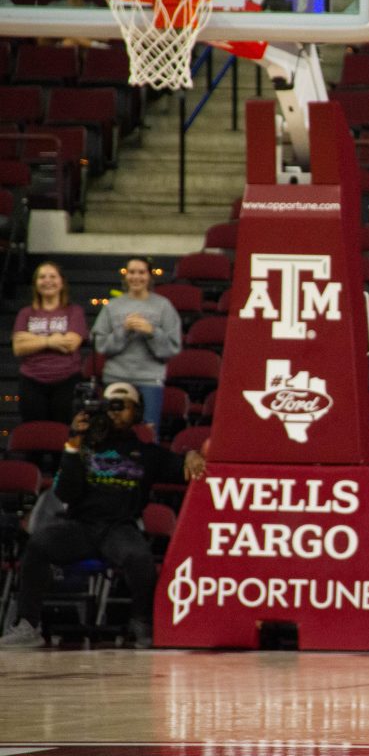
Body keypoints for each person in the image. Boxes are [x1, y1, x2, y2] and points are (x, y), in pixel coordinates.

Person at [0, 382, 206, 649]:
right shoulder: (83, 448)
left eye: (123, 406)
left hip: (119, 528)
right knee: (38, 545)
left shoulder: (148, 454)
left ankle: (142, 622)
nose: (116, 412)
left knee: (140, 557)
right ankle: (29, 625)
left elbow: (185, 469)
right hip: (81, 526)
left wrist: (191, 454)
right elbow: (65, 494)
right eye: (111, 405)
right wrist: (73, 445)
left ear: (137, 411)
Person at [91, 257, 182, 439]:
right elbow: (100, 345)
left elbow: (172, 348)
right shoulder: (112, 307)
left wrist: (152, 332)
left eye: (141, 272)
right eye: (132, 272)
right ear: (126, 276)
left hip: (150, 380)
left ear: (149, 276)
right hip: (116, 378)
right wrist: (123, 330)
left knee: (147, 434)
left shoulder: (164, 306)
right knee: (112, 432)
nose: (136, 277)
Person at [12, 261, 88, 425]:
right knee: (34, 433)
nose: (47, 281)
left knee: (62, 434)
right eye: (42, 277)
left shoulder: (74, 311)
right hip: (31, 380)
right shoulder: (25, 313)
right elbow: (18, 347)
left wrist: (32, 339)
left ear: (62, 282)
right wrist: (50, 340)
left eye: (52, 276)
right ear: (35, 283)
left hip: (67, 380)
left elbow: (71, 344)